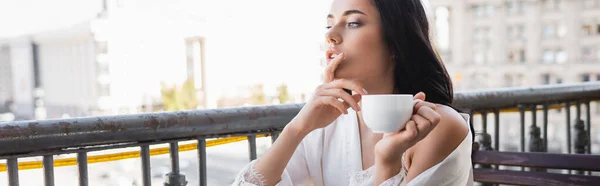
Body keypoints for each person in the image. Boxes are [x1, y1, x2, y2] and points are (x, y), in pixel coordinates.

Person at [232, 0, 474, 185]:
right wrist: (297, 129)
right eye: (329, 25)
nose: (330, 35)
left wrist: (387, 163)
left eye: (353, 23)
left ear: (395, 42)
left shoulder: (437, 127)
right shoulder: (326, 121)